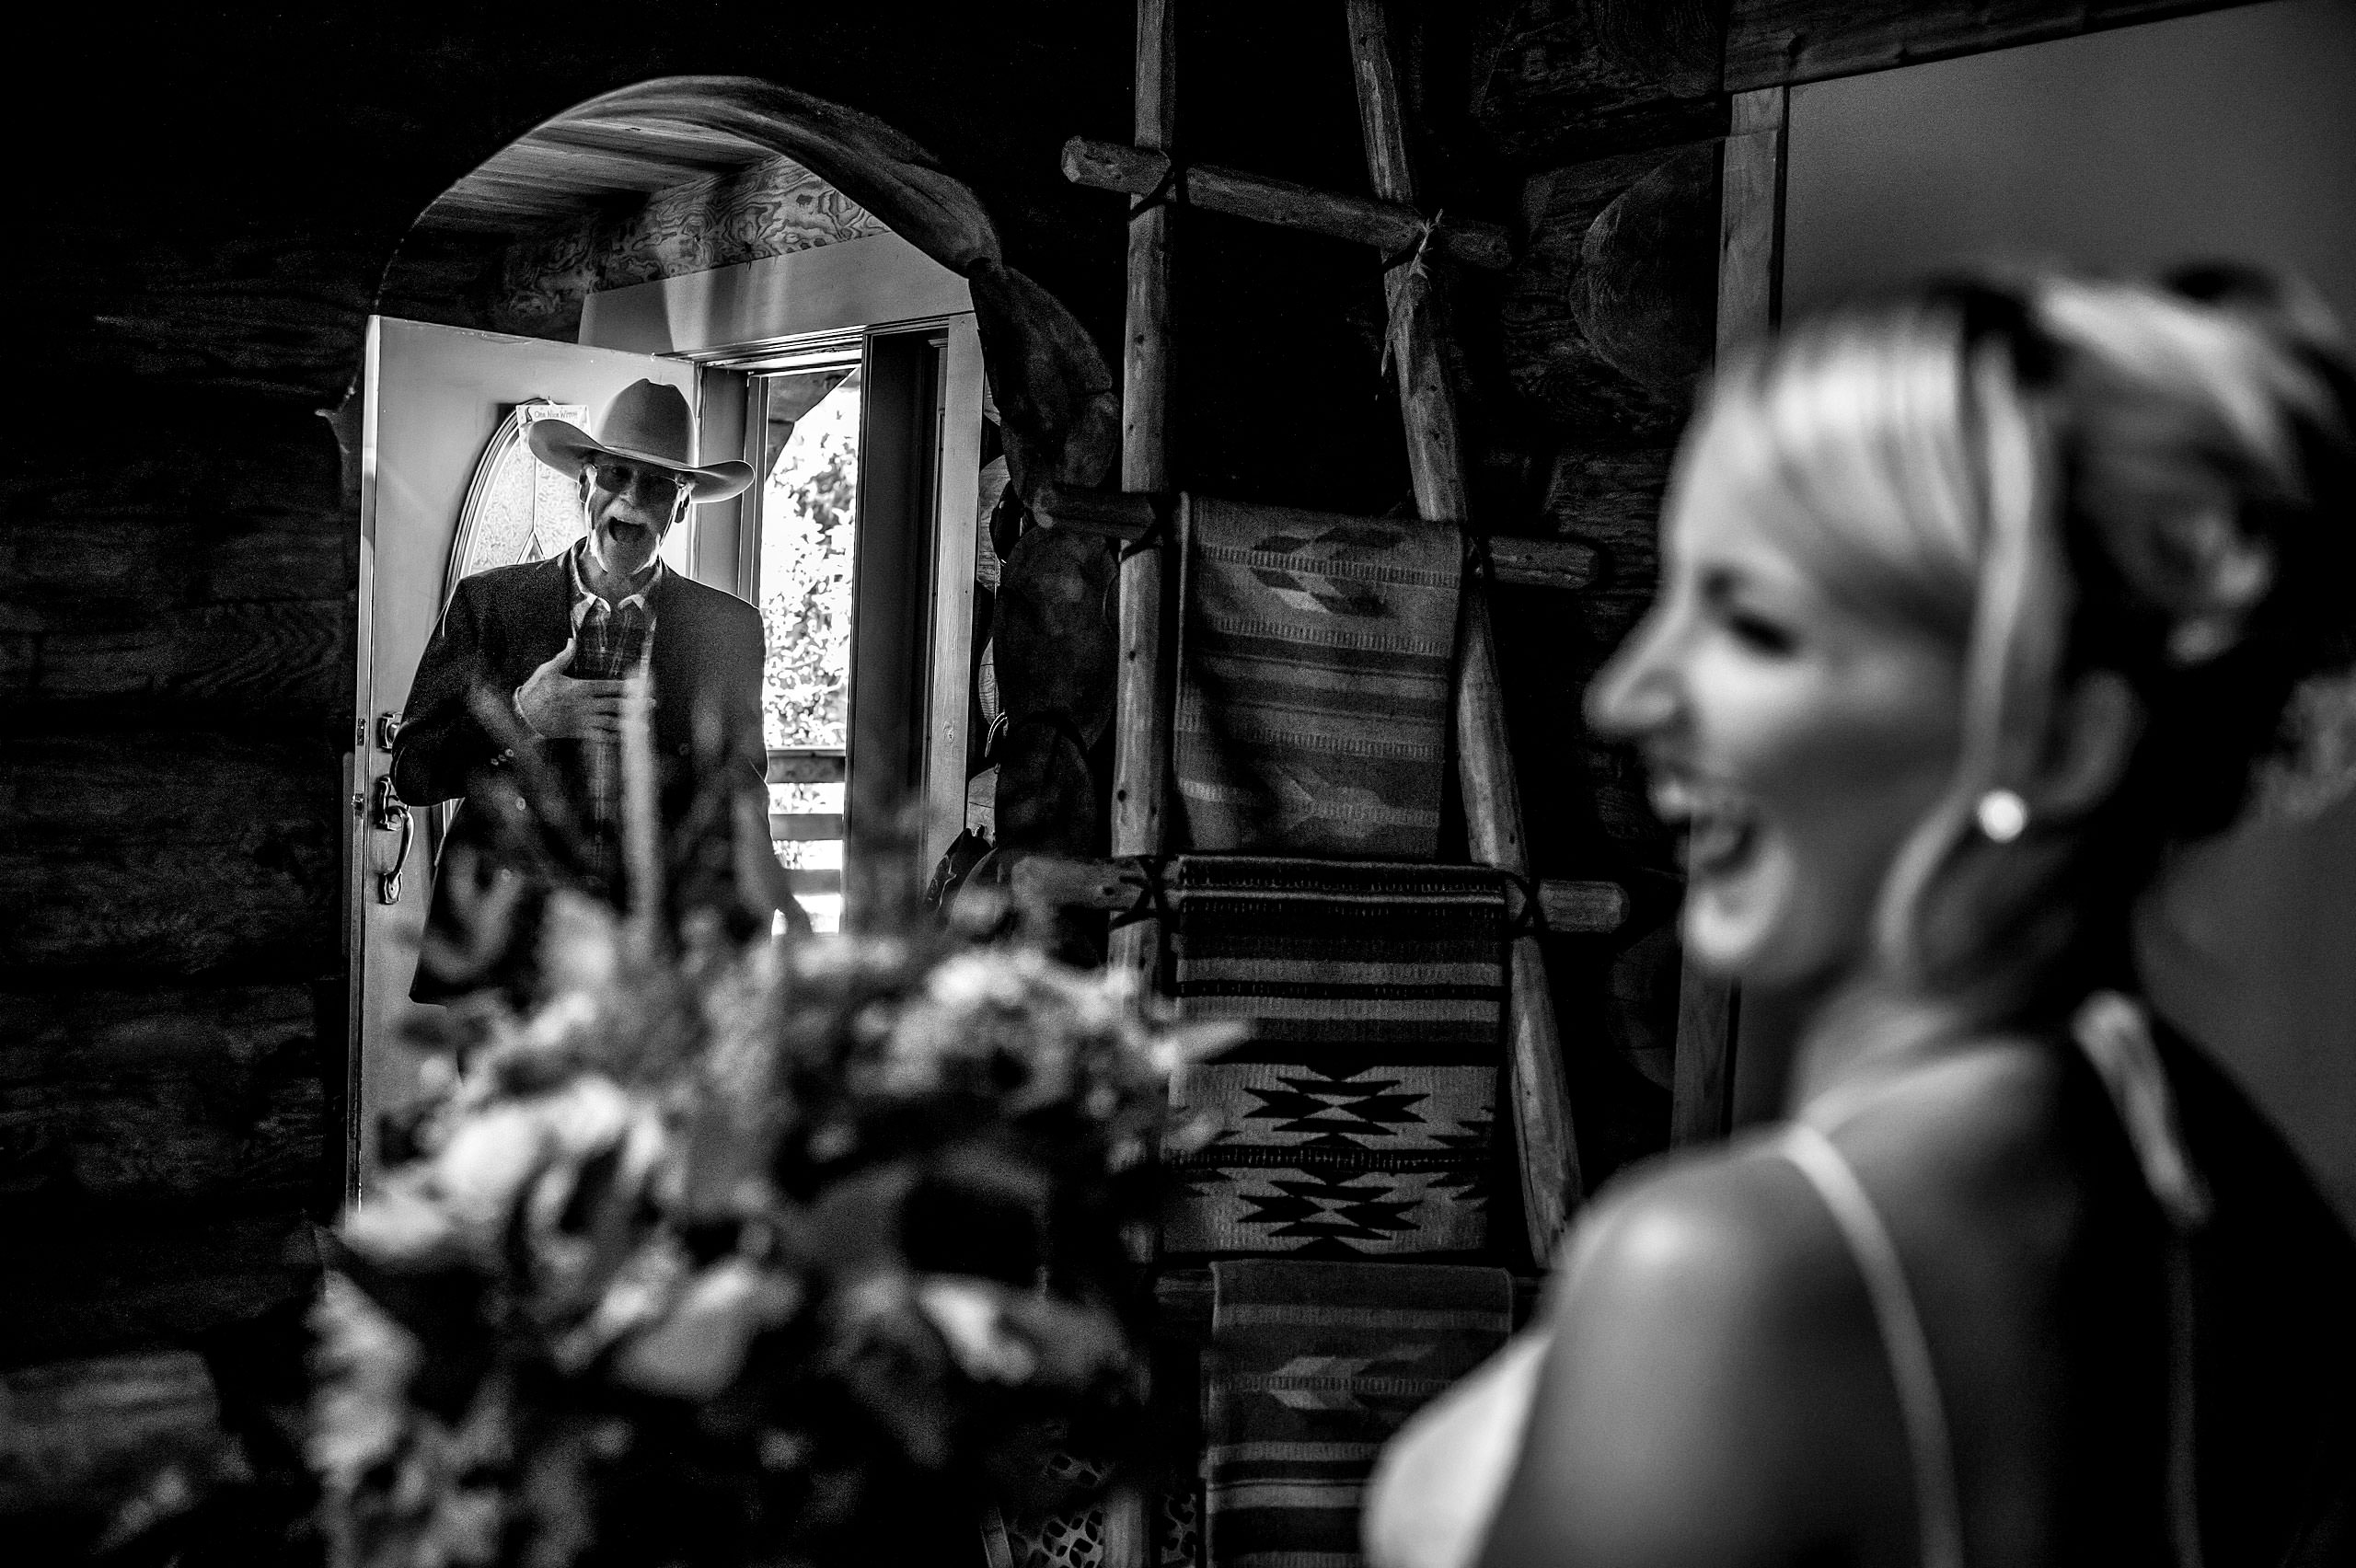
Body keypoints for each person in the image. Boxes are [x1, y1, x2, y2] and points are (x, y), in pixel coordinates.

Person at [1364, 271, 2356, 1568]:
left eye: (1756, 626)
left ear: (2057, 740)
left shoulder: (1723, 1280)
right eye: (1671, 595)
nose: (1626, 695)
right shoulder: (2227, 1187)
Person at [393, 377, 793, 1003]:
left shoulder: (728, 628)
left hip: (654, 968)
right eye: (614, 475)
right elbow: (414, 774)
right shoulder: (490, 603)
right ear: (583, 483)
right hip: (509, 957)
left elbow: (741, 803)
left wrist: (747, 972)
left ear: (682, 506)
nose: (629, 502)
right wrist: (524, 714)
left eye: (658, 485)